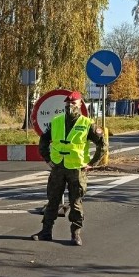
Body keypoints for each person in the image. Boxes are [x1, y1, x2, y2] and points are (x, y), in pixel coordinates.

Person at [30, 90, 106, 246]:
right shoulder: (57, 121)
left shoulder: (87, 124)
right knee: (52, 201)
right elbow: (44, 140)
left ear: (79, 105)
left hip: (76, 170)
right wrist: (48, 159)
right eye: (67, 103)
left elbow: (102, 145)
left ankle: (75, 233)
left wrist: (93, 163)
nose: (70, 105)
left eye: (73, 103)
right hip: (58, 167)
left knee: (76, 203)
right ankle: (46, 232)